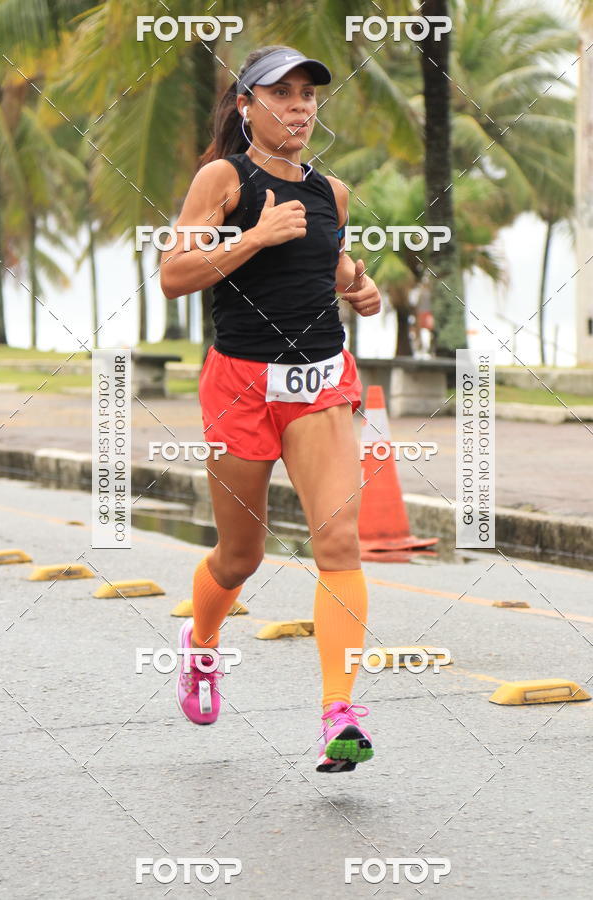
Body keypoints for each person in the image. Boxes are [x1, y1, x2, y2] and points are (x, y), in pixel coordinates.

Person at [160, 45, 382, 773]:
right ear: (245, 105)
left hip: (321, 381)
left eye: (308, 94)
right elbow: (173, 276)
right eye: (280, 93)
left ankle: (338, 713)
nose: (298, 106)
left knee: (340, 542)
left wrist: (360, 284)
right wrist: (253, 236)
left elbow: (328, 257)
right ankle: (201, 645)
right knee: (241, 555)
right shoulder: (223, 179)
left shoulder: (332, 191)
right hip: (241, 386)